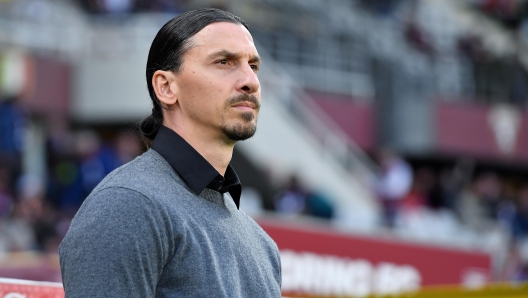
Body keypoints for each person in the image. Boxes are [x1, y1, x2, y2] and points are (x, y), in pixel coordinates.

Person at [59, 8, 282, 297]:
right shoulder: (128, 205)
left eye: (253, 66)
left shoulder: (262, 244)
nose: (250, 81)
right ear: (165, 87)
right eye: (224, 62)